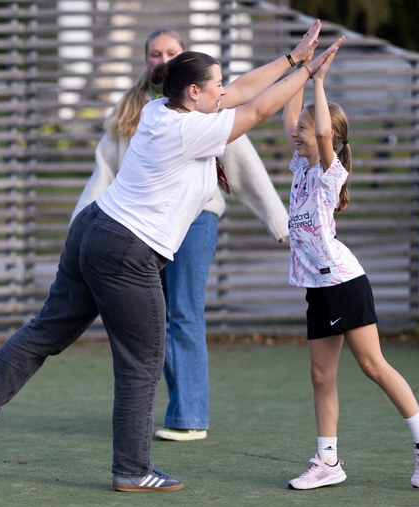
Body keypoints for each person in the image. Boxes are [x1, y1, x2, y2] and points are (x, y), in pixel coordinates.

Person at [0, 21, 341, 492]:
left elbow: (241, 92)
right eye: (216, 85)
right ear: (194, 92)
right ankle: (132, 470)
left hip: (93, 230)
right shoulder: (186, 130)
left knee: (50, 328)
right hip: (125, 250)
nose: (224, 90)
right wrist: (308, 74)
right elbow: (255, 109)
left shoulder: (161, 109)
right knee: (143, 359)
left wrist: (293, 60)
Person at [71, 28, 290, 442]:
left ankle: (189, 416)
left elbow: (244, 162)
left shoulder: (204, 109)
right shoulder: (138, 111)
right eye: (155, 53)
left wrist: (277, 221)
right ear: (147, 60)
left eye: (171, 52)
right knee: (155, 321)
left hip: (196, 221)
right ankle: (174, 407)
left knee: (184, 315)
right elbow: (106, 172)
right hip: (138, 227)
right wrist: (83, 221)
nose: (163, 58)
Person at [280, 44, 419, 490]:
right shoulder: (299, 167)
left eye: (304, 128)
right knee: (321, 374)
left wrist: (318, 82)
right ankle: (328, 462)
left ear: (327, 139)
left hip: (343, 281)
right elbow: (288, 113)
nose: (295, 133)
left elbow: (317, 128)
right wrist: (299, 66)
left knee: (373, 365)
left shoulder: (328, 172)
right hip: (317, 287)